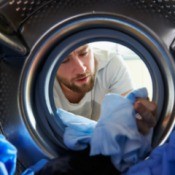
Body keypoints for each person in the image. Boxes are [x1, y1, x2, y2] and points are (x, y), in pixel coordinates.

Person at [54, 43, 157, 135]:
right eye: (65, 60)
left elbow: (128, 117)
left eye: (83, 53)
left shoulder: (111, 65)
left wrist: (138, 117)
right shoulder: (42, 83)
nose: (81, 69)